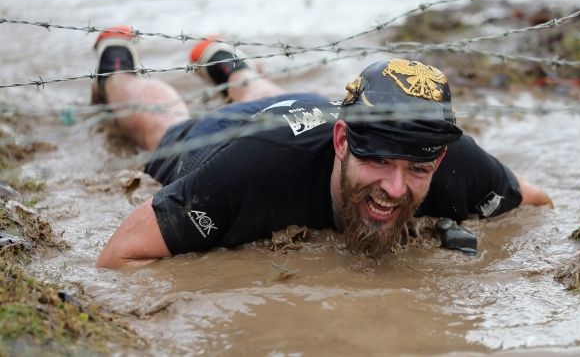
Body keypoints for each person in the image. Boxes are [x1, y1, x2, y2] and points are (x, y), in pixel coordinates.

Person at [93, 26, 553, 269]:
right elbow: (120, 254)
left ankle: (229, 66)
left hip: (307, 110)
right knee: (164, 125)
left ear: (440, 159)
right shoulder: (253, 171)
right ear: (343, 140)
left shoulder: (451, 161)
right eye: (379, 161)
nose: (395, 188)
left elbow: (537, 204)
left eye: (417, 169)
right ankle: (115, 66)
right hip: (236, 138)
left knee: (264, 93)